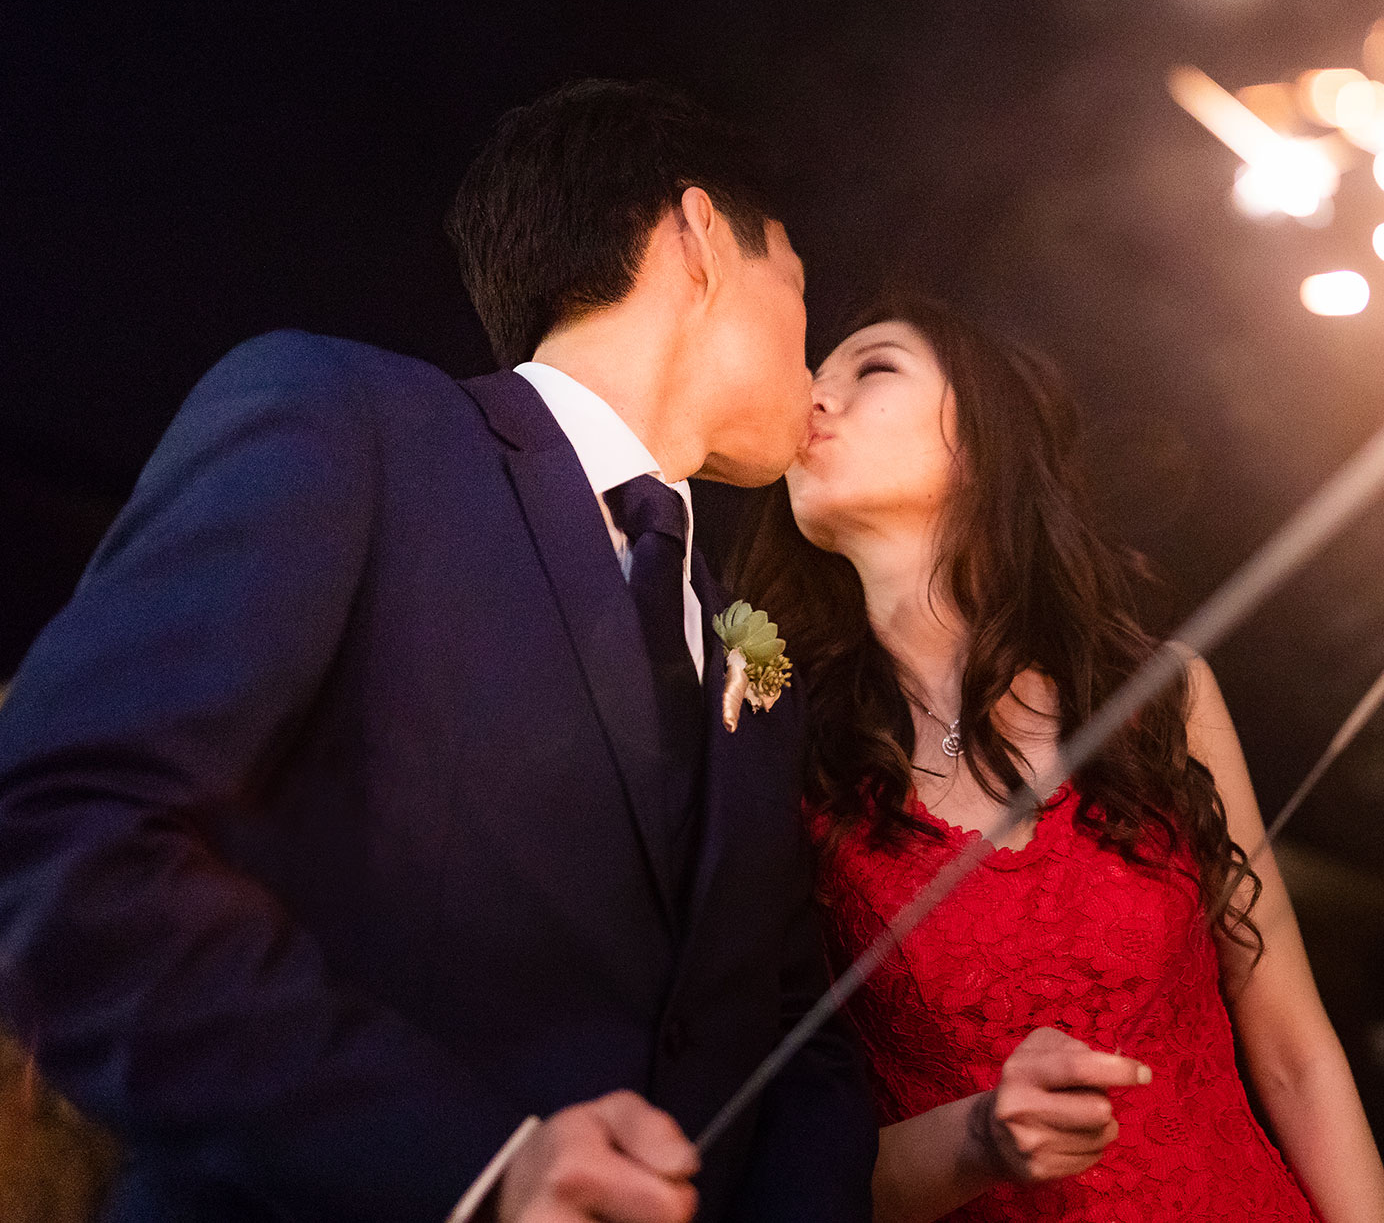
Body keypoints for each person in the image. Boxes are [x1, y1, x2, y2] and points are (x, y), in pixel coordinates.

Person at [0, 79, 875, 1223]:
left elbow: (790, 1038)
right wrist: (471, 1166)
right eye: (798, 288)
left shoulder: (747, 657)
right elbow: (62, 829)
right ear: (698, 238)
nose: (811, 355)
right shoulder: (348, 421)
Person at [730, 295, 1384, 1222]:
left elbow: (1294, 1049)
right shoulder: (780, 753)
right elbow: (798, 1176)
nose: (815, 398)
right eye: (814, 377)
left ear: (983, 442)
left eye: (872, 368)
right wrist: (980, 1140)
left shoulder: (1159, 695)